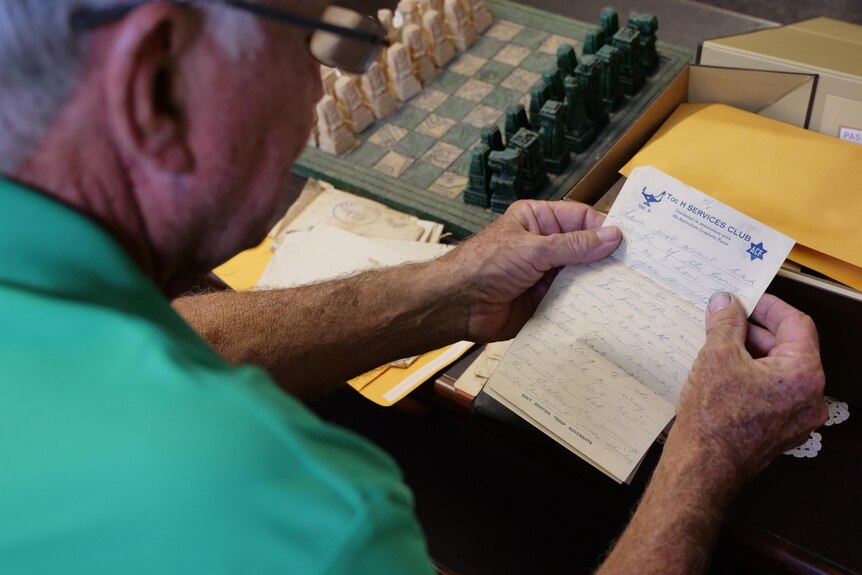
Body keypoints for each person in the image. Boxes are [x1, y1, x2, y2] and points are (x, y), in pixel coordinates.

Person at [0, 0, 826, 573]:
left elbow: (180, 342)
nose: (321, 85)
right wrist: (706, 456)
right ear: (153, 87)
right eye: (307, 40)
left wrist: (452, 292)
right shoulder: (274, 500)